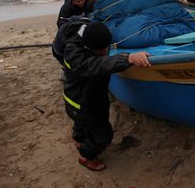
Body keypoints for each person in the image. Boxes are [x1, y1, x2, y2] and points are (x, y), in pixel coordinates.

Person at [62, 21, 152, 171]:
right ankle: (86, 156)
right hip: (86, 106)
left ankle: (78, 140)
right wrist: (128, 58)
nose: (105, 51)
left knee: (80, 125)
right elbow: (97, 65)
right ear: (88, 46)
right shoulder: (76, 58)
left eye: (107, 47)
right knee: (103, 136)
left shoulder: (81, 41)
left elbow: (100, 59)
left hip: (75, 101)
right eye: (101, 49)